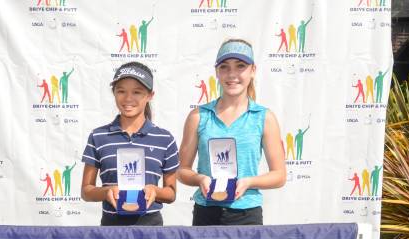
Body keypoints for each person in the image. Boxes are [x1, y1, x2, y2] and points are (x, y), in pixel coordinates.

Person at [178, 39, 286, 226]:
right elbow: (181, 171)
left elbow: (279, 175)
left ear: (253, 71)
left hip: (247, 214)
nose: (232, 74)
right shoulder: (198, 116)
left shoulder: (264, 117)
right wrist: (200, 178)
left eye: (240, 66)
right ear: (217, 72)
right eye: (225, 67)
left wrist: (248, 182)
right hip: (206, 212)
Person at [81, 61, 179, 226]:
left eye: (137, 92)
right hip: (111, 228)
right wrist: (106, 192)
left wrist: (154, 191)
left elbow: (171, 193)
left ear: (150, 95)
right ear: (114, 93)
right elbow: (86, 191)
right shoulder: (98, 136)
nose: (128, 98)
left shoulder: (165, 139)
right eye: (121, 91)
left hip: (151, 228)